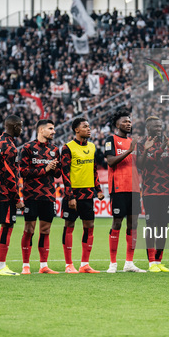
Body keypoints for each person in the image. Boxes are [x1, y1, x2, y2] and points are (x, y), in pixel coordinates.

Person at [60, 117, 104, 273]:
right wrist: (70, 196)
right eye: (85, 126)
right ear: (76, 130)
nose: (89, 128)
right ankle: (68, 264)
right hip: (73, 194)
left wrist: (98, 189)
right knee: (69, 226)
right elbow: (64, 173)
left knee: (89, 226)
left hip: (87, 194)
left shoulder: (92, 147)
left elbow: (93, 170)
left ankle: (85, 264)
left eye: (89, 126)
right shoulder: (67, 148)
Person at [105, 110, 145, 273]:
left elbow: (140, 165)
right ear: (117, 124)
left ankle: (129, 262)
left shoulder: (132, 141)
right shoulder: (111, 140)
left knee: (133, 224)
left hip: (135, 188)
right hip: (119, 187)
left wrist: (145, 150)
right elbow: (110, 161)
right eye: (125, 121)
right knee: (117, 222)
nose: (129, 124)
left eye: (130, 122)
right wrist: (129, 150)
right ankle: (113, 263)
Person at [137, 116, 169, 272]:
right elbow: (143, 164)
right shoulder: (143, 144)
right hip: (150, 191)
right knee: (151, 226)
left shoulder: (167, 142)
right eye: (156, 126)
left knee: (163, 227)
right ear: (148, 128)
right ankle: (151, 262)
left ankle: (159, 261)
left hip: (166, 192)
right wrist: (163, 147)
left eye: (160, 125)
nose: (159, 128)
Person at [19, 119, 61, 274]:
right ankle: (26, 265)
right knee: (29, 229)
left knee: (46, 230)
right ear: (41, 130)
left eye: (54, 128)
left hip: (49, 195)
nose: (53, 131)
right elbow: (23, 171)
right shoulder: (28, 147)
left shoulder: (55, 149)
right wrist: (45, 168)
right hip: (31, 195)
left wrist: (55, 168)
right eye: (50, 128)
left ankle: (43, 265)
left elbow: (57, 173)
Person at [0, 115, 24, 276]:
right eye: (20, 126)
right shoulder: (10, 147)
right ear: (15, 126)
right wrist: (17, 199)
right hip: (5, 192)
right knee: (7, 226)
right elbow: (10, 175)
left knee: (6, 226)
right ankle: (1, 266)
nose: (22, 129)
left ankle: (1, 265)